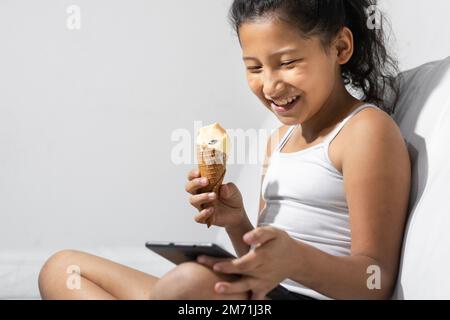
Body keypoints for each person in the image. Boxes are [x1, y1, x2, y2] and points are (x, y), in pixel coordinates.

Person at [38, 0, 411, 300]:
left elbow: (374, 282)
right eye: (254, 67)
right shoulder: (280, 138)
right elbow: (262, 260)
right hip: (262, 294)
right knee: (63, 269)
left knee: (188, 283)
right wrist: (237, 223)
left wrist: (294, 259)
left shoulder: (366, 131)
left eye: (288, 62)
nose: (269, 85)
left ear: (340, 47)